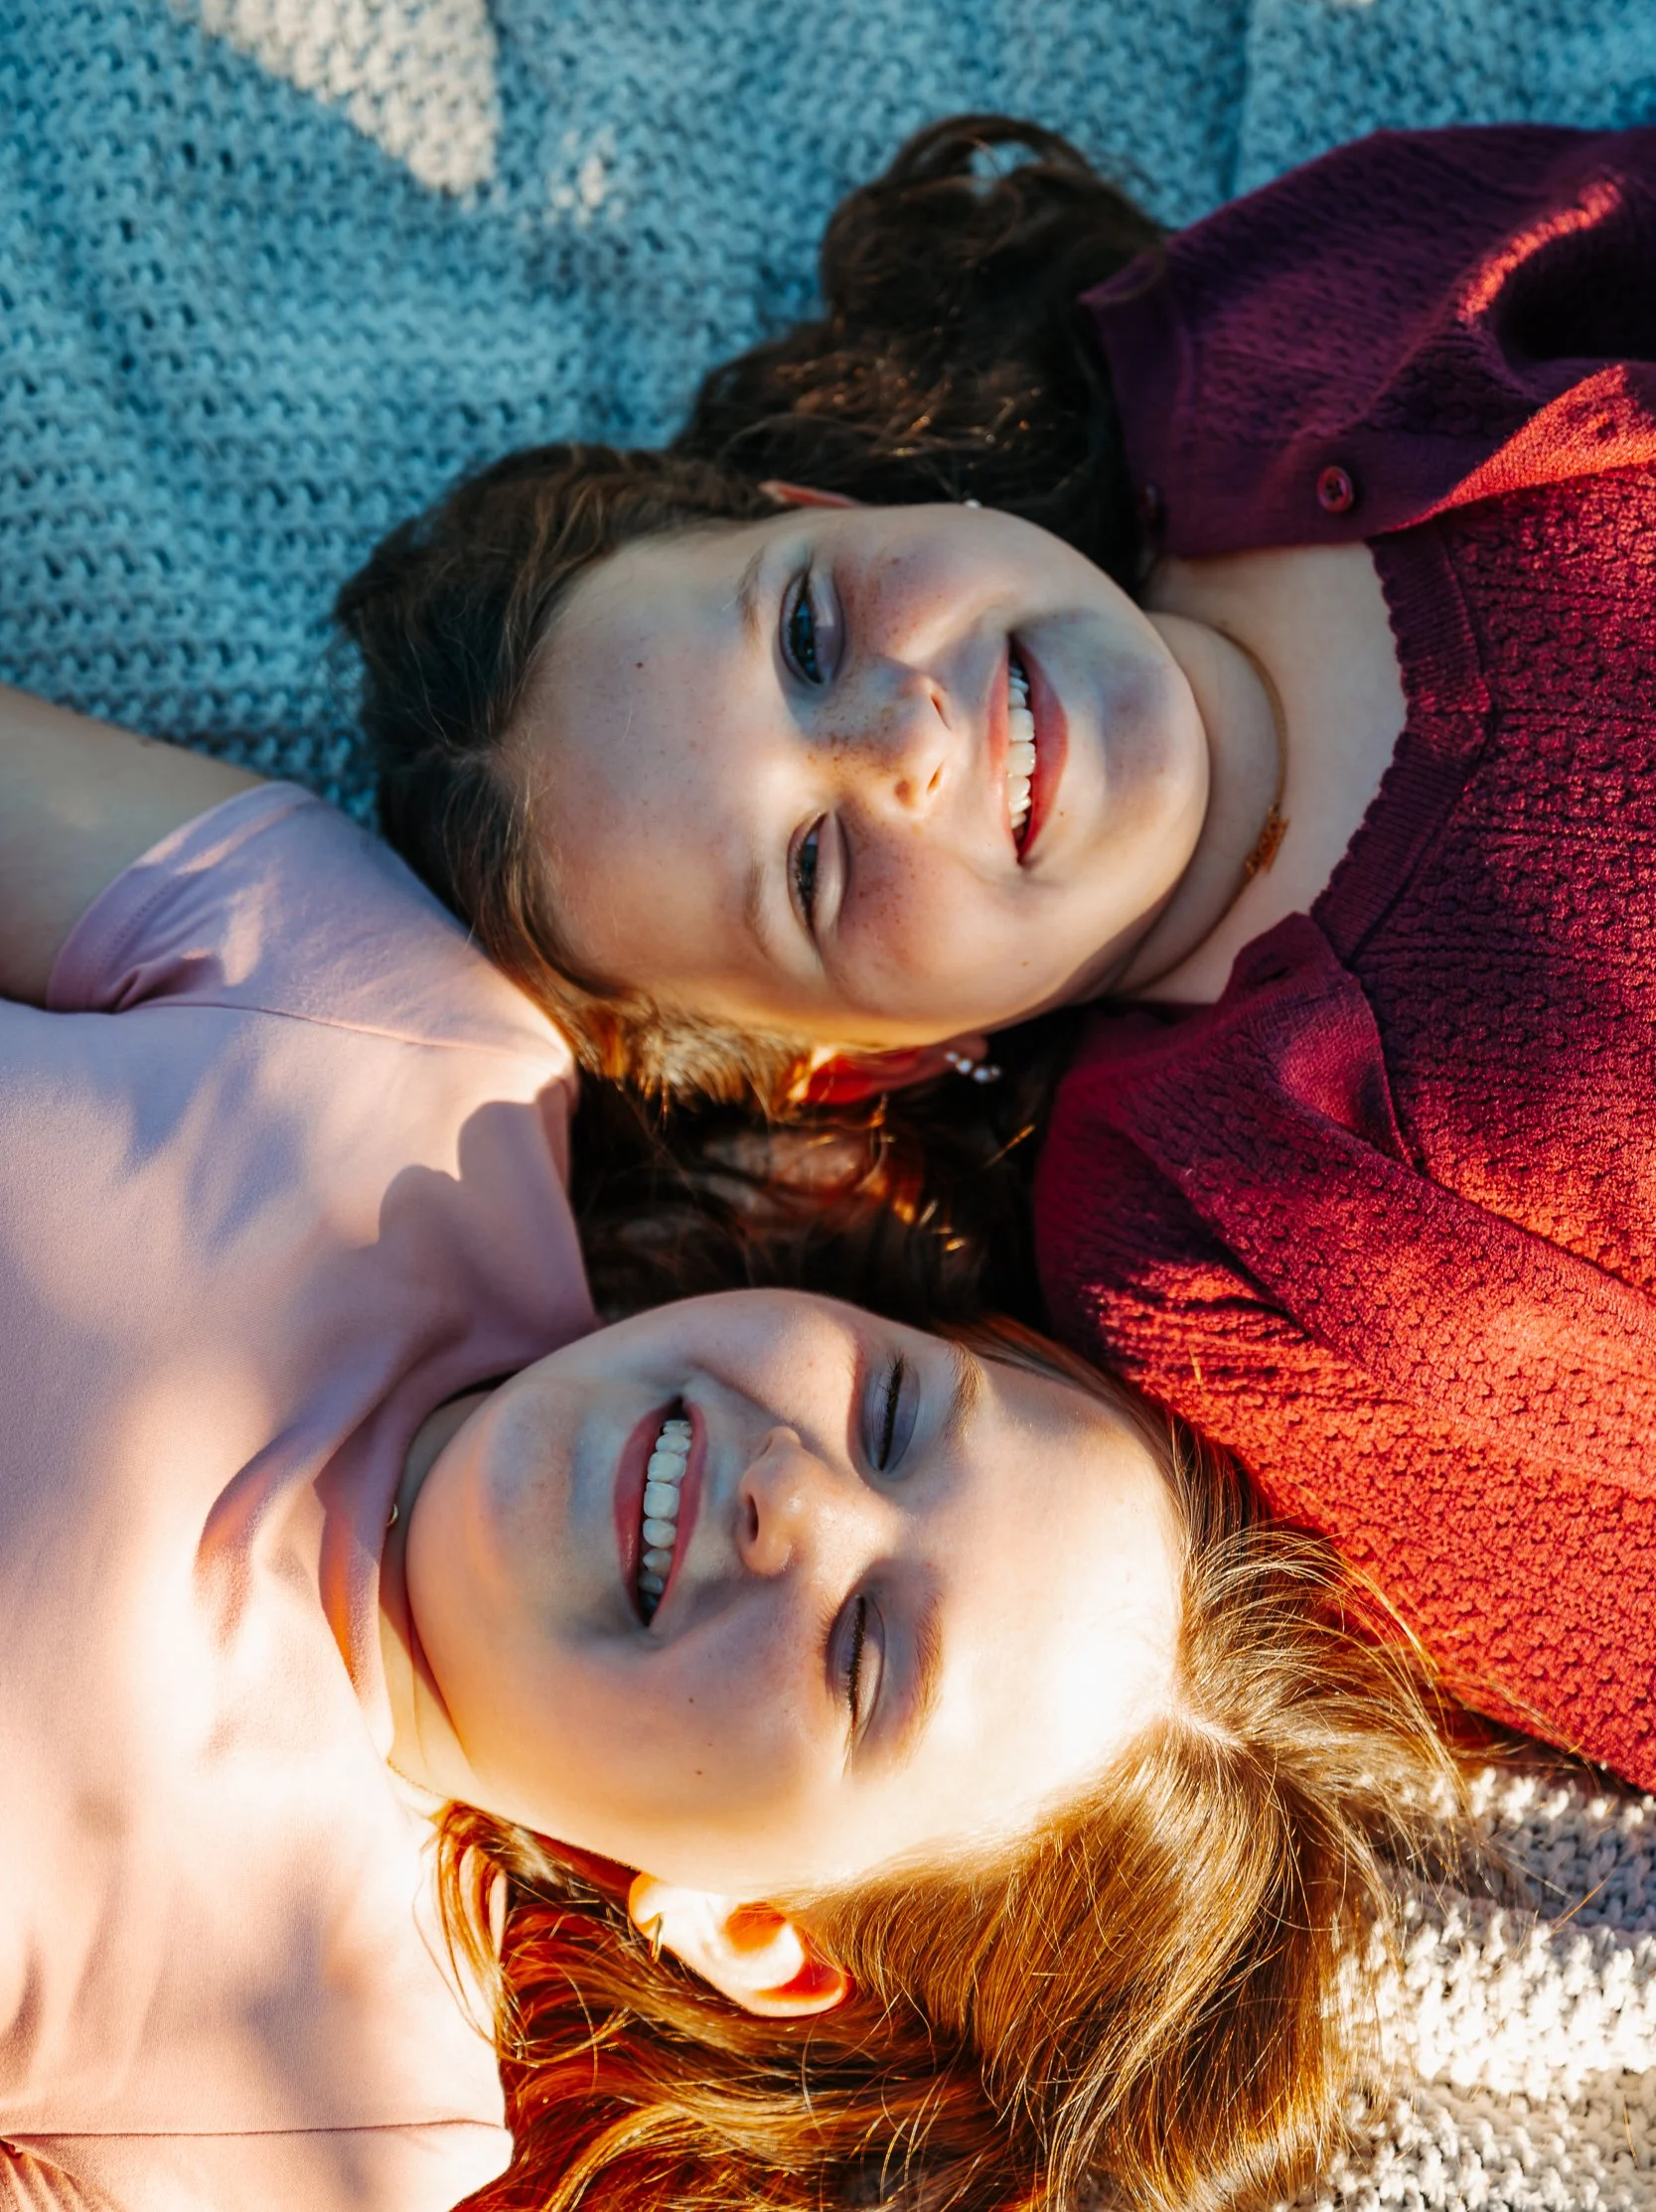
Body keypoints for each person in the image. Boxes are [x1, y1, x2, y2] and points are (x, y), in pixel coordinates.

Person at [0, 685, 1462, 2212]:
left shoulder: (323, 2106)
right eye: (893, 1418)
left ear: (757, 1930)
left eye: (865, 1657)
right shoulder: (402, 1046)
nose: (792, 1496)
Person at [339, 114, 1656, 1792]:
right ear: (871, 1060)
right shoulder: (1201, 1244)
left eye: (806, 630)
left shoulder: (1292, 338)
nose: (899, 734)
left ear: (821, 504)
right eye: (811, 869)